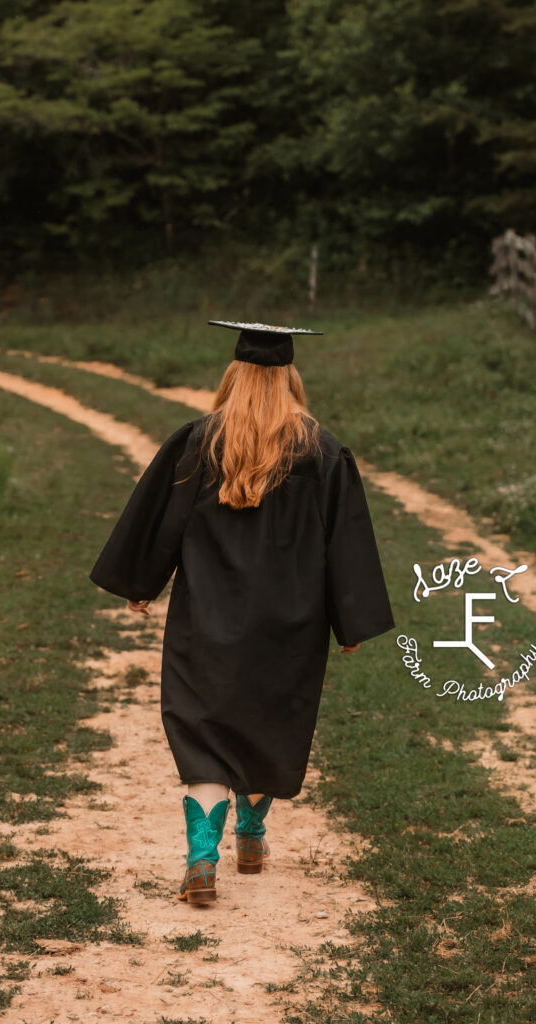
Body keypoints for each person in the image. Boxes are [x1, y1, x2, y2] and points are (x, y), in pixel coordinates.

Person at [88, 320, 395, 905]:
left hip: (206, 619)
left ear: (232, 378)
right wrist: (348, 623)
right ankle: (251, 834)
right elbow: (345, 544)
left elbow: (162, 521)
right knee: (266, 724)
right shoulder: (324, 453)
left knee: (203, 734)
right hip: (291, 624)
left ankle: (202, 860)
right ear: (292, 380)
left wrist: (142, 582)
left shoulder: (199, 442)